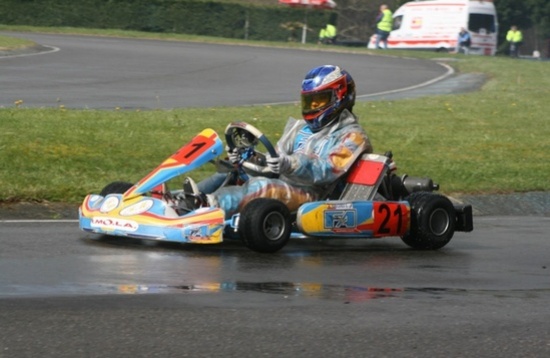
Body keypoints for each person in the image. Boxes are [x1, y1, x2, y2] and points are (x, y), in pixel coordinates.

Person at [184, 65, 373, 218]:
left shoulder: (353, 136)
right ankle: (182, 200)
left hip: (315, 196)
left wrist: (288, 163)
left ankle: (207, 206)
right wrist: (248, 158)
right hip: (285, 183)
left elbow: (326, 171)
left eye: (319, 101)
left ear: (340, 97)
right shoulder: (300, 128)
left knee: (263, 187)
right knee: (233, 172)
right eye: (309, 101)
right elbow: (275, 159)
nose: (313, 107)